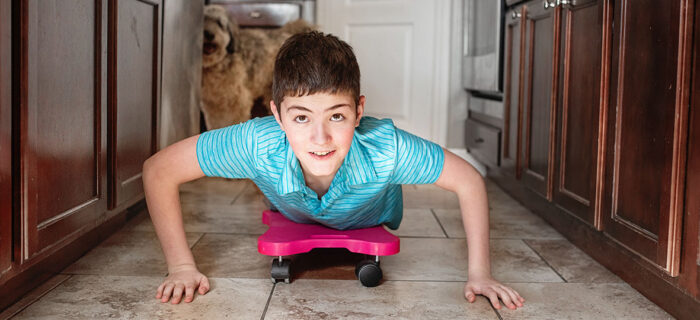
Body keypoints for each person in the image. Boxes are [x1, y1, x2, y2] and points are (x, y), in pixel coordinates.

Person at [143, 31, 525, 310]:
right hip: (291, 209)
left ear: (359, 111)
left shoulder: (386, 149)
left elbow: (469, 180)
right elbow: (158, 170)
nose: (320, 136)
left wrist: (480, 273)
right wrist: (180, 266)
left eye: (337, 116)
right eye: (301, 117)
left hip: (370, 213)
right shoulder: (256, 142)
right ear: (276, 115)